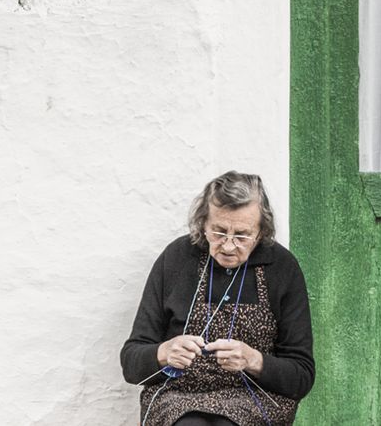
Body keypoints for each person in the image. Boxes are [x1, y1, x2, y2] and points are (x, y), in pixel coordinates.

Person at [121, 171, 315, 426]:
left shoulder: (281, 267)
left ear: (261, 232)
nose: (228, 246)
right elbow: (131, 362)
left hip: (256, 398)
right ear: (202, 224)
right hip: (178, 396)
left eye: (242, 235)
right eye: (219, 232)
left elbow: (302, 375)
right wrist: (164, 352)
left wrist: (253, 360)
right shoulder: (178, 258)